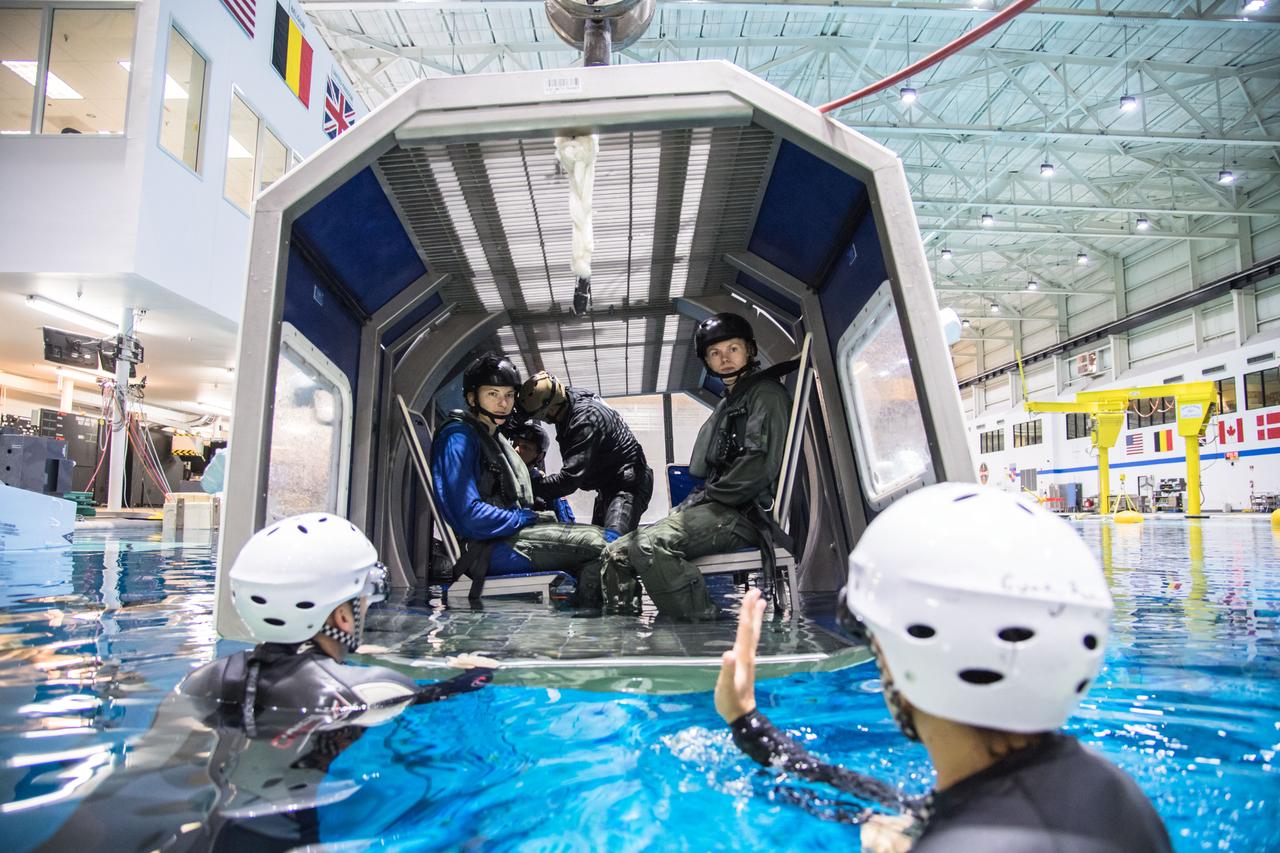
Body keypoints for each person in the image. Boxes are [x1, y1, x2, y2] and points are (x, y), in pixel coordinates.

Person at [715, 484, 1172, 852]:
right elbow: (938, 807)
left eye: (877, 645)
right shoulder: (1112, 792)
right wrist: (748, 723)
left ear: (913, 659)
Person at [40, 513, 495, 850]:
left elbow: (144, 777)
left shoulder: (204, 681)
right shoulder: (370, 689)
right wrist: (477, 671)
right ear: (340, 614)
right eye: (363, 600)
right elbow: (437, 704)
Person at [598, 312, 791, 620]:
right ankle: (622, 637)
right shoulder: (732, 401)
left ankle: (703, 630)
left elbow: (757, 467)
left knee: (647, 545)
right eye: (715, 353)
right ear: (707, 362)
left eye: (733, 349)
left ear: (749, 350)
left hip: (744, 515)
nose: (724, 358)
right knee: (616, 551)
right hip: (722, 509)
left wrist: (706, 496)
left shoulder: (765, 394)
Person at [431, 353, 606, 589]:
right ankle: (601, 622)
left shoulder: (491, 437)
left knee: (607, 539)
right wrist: (520, 518)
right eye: (493, 394)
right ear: (472, 398)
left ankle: (585, 616)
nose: (503, 403)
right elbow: (468, 516)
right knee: (600, 546)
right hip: (486, 548)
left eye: (509, 395)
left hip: (505, 537)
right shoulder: (459, 439)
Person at [517, 370, 653, 540]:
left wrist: (524, 487)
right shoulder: (569, 400)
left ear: (550, 408)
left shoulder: (584, 420)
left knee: (612, 544)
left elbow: (568, 481)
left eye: (540, 415)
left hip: (627, 486)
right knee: (595, 545)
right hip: (611, 484)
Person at [501, 420, 576, 524]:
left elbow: (566, 527)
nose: (516, 449)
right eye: (515, 443)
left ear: (539, 456)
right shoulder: (499, 477)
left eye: (525, 447)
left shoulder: (546, 488)